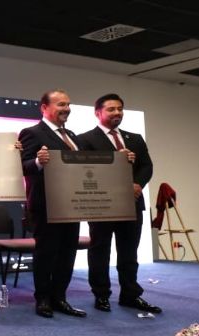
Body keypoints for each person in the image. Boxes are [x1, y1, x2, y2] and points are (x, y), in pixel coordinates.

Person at [76, 93, 161, 314]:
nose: (117, 113)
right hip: (102, 204)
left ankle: (130, 295)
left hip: (132, 202)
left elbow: (147, 166)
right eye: (111, 109)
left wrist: (137, 184)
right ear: (98, 113)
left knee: (129, 252)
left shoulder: (135, 138)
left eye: (120, 109)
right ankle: (101, 295)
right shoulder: (84, 139)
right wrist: (115, 159)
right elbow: (84, 170)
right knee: (100, 251)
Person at [18, 89, 86, 319]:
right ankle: (43, 299)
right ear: (44, 108)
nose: (66, 109)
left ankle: (60, 298)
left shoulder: (72, 136)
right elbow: (21, 166)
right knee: (47, 253)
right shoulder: (32, 133)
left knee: (67, 253)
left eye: (68, 104)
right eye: (60, 104)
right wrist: (38, 161)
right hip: (45, 204)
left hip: (72, 203)